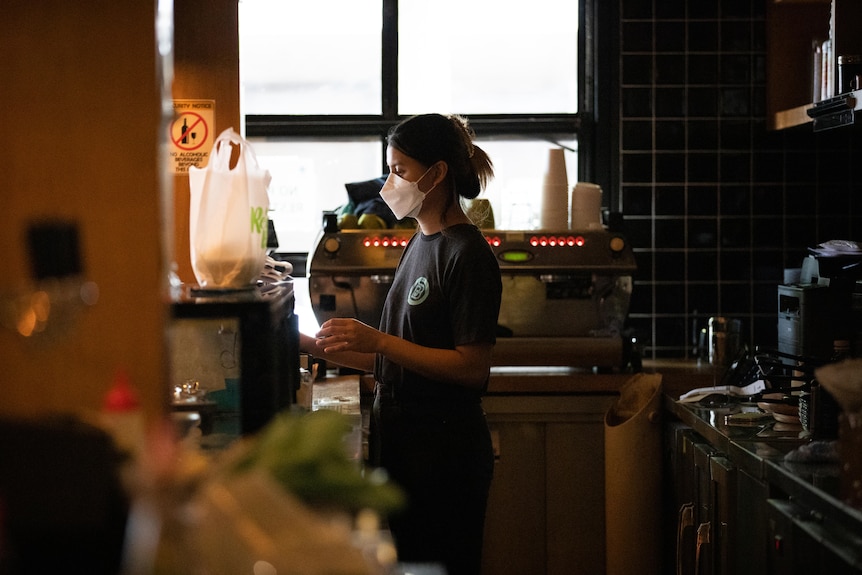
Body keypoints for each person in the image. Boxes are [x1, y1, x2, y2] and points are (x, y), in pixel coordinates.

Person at [300, 113, 501, 575]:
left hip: (444, 456)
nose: (390, 182)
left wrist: (380, 340)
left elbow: (472, 368)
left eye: (401, 171)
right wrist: (310, 344)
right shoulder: (419, 242)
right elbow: (392, 358)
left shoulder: (467, 254)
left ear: (437, 174)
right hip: (405, 447)